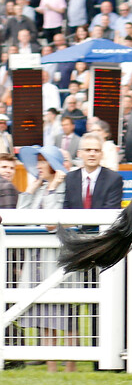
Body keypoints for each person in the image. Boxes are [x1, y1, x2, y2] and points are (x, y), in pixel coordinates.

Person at [16, 145, 70, 373]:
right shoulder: (41, 188)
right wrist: (31, 189)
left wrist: (53, 188)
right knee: (44, 315)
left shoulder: (62, 187)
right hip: (36, 258)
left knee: (64, 317)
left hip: (54, 258)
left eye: (42, 161)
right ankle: (51, 368)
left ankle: (70, 367)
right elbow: (19, 217)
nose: (38, 166)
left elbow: (50, 221)